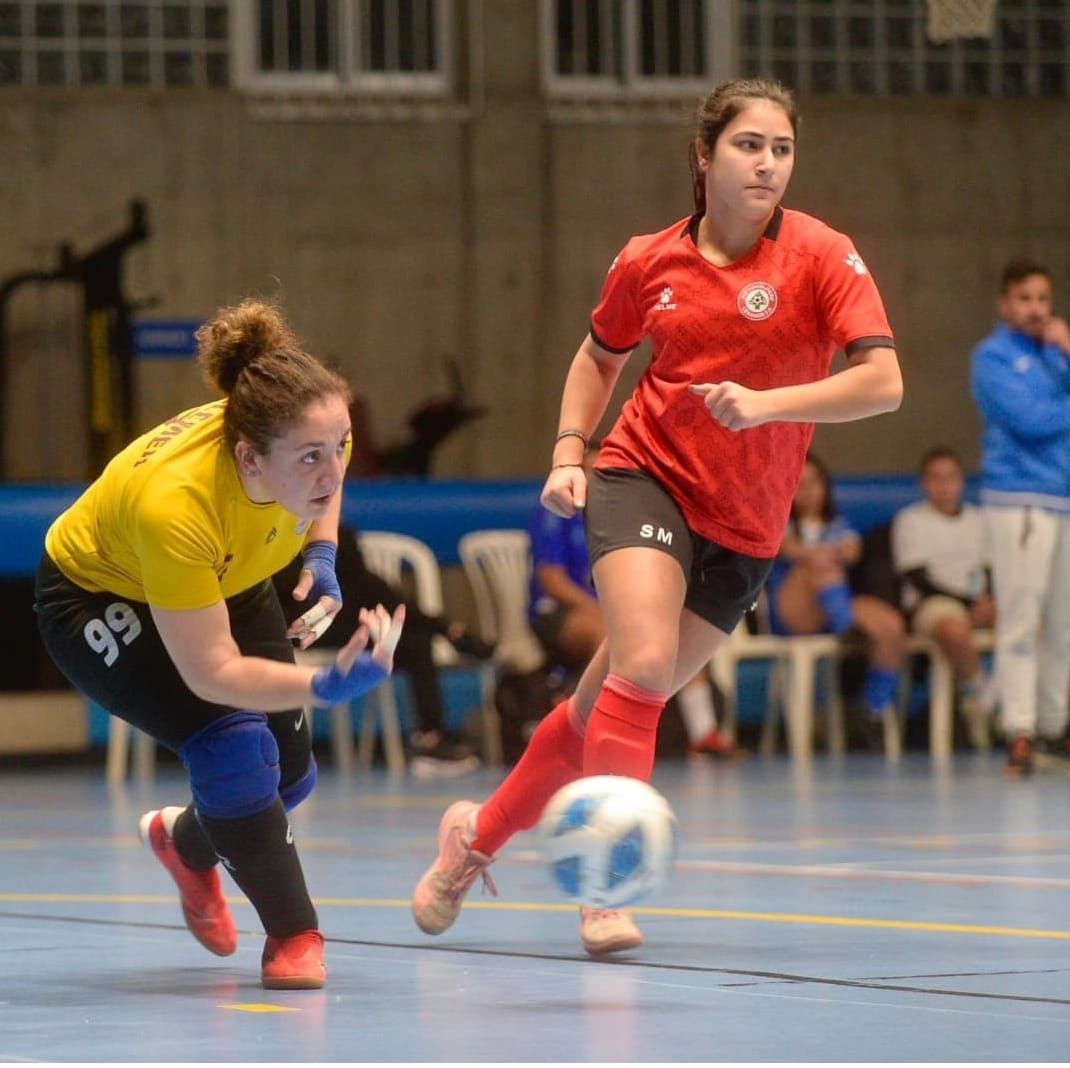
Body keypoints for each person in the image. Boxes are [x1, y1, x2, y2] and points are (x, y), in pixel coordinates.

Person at [409, 77, 902, 957]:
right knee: (639, 663)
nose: (767, 164)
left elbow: (882, 383)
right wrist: (569, 451)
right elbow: (597, 359)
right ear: (704, 156)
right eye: (749, 145)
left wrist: (764, 406)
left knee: (604, 706)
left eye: (782, 149)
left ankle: (471, 841)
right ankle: (607, 890)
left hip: (746, 525)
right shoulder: (649, 260)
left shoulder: (823, 256)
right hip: (647, 477)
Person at [34, 299, 406, 990]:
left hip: (227, 574)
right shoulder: (175, 506)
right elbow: (213, 673)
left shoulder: (308, 434)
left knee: (289, 777)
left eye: (339, 445)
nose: (330, 470)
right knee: (233, 745)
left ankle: (184, 843)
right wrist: (322, 687)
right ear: (249, 459)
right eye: (309, 457)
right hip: (98, 593)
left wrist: (320, 555)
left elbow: (329, 476)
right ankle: (294, 936)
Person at [529, 442, 740, 761]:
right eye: (589, 471)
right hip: (563, 613)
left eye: (604, 472)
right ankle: (592, 729)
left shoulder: (627, 514)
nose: (595, 479)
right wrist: (608, 612)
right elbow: (552, 581)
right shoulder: (560, 512)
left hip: (616, 611)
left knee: (670, 636)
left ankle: (703, 731)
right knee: (616, 635)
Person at [970, 258, 1070, 776]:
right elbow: (1030, 422)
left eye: (1042, 298)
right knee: (1020, 619)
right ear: (1005, 304)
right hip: (1018, 500)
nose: (1036, 308)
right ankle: (1019, 729)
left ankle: (1054, 729)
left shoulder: (1060, 355)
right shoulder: (991, 357)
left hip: (1068, 499)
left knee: (1066, 622)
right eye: (1025, 298)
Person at [273, 521, 493, 777]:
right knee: (372, 594)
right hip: (301, 626)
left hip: (344, 619)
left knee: (415, 642)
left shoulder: (333, 531)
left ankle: (431, 737)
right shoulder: (278, 540)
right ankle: (451, 631)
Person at [767, 454, 907, 757]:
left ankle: (871, 712)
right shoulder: (775, 523)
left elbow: (852, 549)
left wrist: (840, 552)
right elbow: (787, 548)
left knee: (890, 625)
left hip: (834, 604)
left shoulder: (839, 525)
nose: (807, 491)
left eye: (814, 483)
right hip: (794, 611)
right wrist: (820, 554)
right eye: (798, 484)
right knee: (818, 565)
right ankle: (848, 629)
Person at [891, 446, 995, 749]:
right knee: (953, 628)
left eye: (950, 477)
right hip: (932, 604)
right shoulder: (910, 520)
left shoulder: (980, 519)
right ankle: (979, 701)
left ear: (962, 481)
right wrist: (969, 605)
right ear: (924, 483)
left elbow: (989, 570)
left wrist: (988, 602)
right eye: (935, 478)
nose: (944, 485)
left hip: (979, 603)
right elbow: (918, 579)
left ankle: (1027, 710)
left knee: (1032, 624)